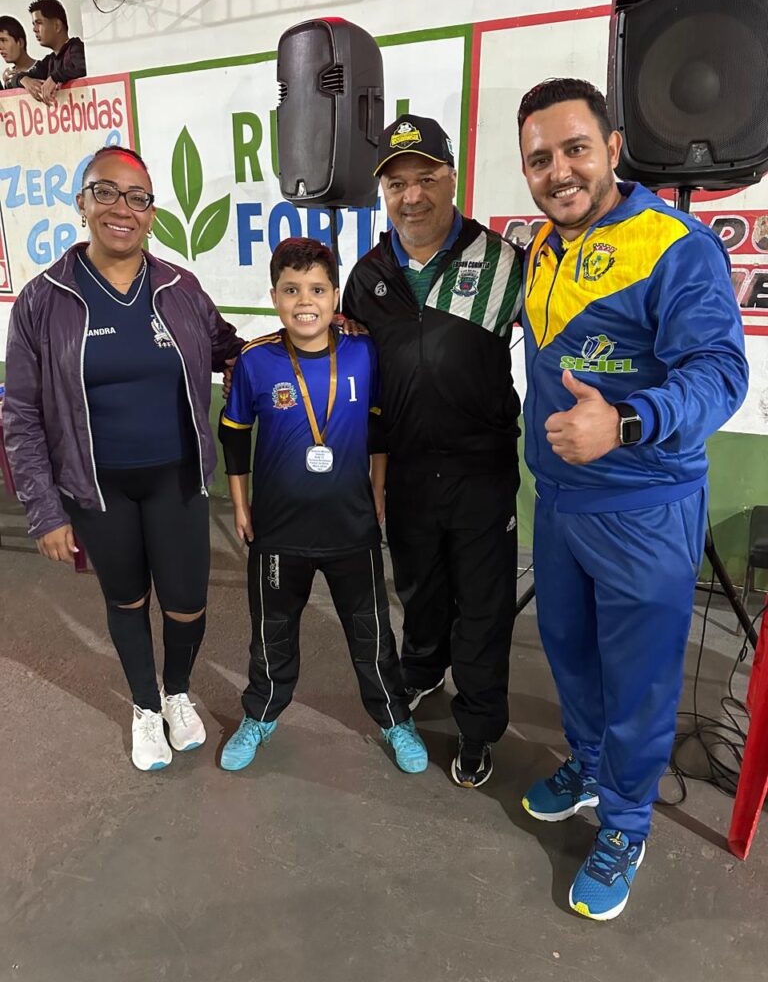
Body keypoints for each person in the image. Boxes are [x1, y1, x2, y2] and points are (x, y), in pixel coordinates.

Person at [516, 78, 749, 919]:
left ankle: (625, 823)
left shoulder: (677, 246)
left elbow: (722, 375)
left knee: (642, 683)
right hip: (561, 503)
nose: (559, 171)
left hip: (645, 505)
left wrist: (625, 421)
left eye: (575, 148)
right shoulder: (543, 246)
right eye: (539, 158)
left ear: (613, 147)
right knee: (570, 655)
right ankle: (588, 762)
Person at [4, 145, 243, 771]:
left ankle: (178, 692)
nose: (122, 209)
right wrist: (45, 513)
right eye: (106, 192)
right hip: (98, 488)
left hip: (178, 477)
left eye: (138, 198)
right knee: (127, 599)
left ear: (151, 214)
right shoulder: (43, 300)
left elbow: (228, 349)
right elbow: (21, 415)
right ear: (82, 203)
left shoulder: (178, 288)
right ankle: (144, 706)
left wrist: (313, 340)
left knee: (187, 601)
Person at [342, 115, 523, 788]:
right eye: (397, 184)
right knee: (418, 590)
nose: (412, 196)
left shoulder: (506, 262)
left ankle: (477, 728)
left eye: (426, 179)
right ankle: (420, 672)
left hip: (482, 470)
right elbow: (364, 382)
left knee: (482, 604)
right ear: (382, 193)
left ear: (452, 177)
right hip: (408, 470)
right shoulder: (367, 277)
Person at [216, 237, 428, 774]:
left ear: (336, 297)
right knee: (272, 633)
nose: (303, 301)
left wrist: (378, 488)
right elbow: (234, 434)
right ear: (274, 296)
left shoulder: (363, 350)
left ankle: (394, 720)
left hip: (350, 526)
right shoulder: (255, 360)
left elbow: (379, 427)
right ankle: (260, 715)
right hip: (279, 531)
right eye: (291, 290)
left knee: (373, 633)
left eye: (316, 289)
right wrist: (241, 505)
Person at [14, 0, 86, 104]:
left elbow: (85, 68)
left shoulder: (76, 48)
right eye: (33, 24)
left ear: (57, 26)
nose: (34, 29)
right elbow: (13, 80)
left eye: (39, 22)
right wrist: (23, 80)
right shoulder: (49, 61)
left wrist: (55, 77)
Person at [0, 15, 35, 88]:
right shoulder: (8, 76)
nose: (0, 47)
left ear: (20, 42)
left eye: (3, 40)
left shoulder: (45, 67)